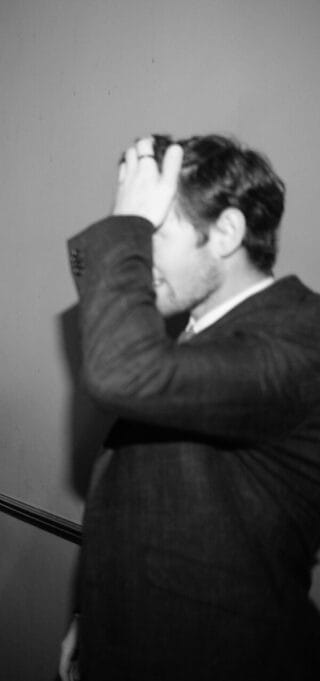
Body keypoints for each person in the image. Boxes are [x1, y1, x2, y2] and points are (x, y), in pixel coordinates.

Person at [59, 134, 320, 680]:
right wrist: (97, 614)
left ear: (225, 233)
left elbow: (120, 373)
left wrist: (122, 226)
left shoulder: (301, 340)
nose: (139, 253)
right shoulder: (203, 330)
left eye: (154, 230)